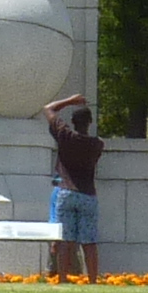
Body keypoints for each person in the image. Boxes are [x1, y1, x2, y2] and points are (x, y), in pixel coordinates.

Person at [42, 94, 103, 281]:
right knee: (89, 242)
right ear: (89, 122)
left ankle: (62, 278)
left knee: (65, 241)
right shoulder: (96, 144)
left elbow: (48, 109)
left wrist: (70, 101)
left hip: (66, 191)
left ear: (72, 122)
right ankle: (92, 280)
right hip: (87, 194)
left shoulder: (65, 136)